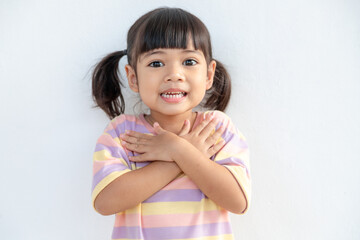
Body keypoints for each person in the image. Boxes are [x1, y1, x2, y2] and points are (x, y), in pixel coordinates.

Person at [91, 7, 251, 240]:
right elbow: (105, 202)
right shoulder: (122, 133)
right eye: (156, 63)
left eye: (189, 61)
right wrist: (179, 156)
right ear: (133, 78)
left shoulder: (216, 129)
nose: (174, 74)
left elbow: (238, 201)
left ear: (208, 74)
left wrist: (177, 148)